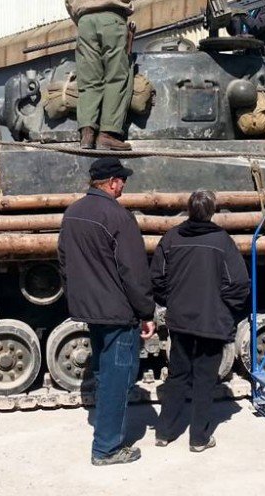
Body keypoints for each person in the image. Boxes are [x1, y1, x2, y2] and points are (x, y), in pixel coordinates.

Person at [57, 157, 156, 466]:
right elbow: (134, 273)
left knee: (103, 372)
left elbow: (64, 262)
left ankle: (106, 432)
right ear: (112, 182)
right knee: (117, 378)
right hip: (118, 312)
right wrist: (146, 312)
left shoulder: (73, 213)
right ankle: (107, 448)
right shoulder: (118, 217)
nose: (124, 184)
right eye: (121, 179)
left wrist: (79, 297)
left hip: (91, 309)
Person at [151, 190, 249, 452]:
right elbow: (238, 283)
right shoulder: (222, 241)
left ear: (189, 210)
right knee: (205, 379)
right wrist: (224, 308)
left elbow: (157, 278)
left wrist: (172, 301)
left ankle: (164, 433)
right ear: (212, 211)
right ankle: (199, 438)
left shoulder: (171, 238)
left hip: (180, 321)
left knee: (178, 375)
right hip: (211, 322)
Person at [65, 0, 156, 151]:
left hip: (84, 23)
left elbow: (69, 0)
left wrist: (84, 21)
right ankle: (108, 134)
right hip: (112, 20)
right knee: (117, 76)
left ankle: (87, 134)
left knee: (88, 79)